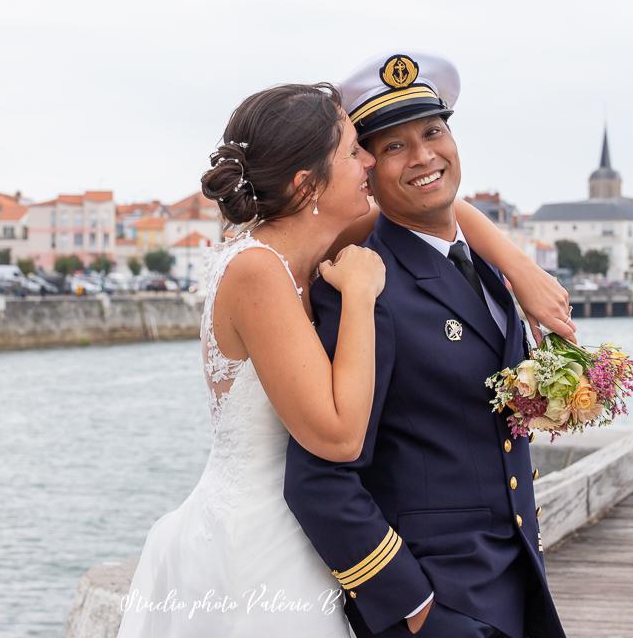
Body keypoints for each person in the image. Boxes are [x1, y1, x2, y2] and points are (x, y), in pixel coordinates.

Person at [117, 78, 571, 637]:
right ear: (309, 185)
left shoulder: (313, 238)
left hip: (316, 547)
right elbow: (338, 439)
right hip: (258, 544)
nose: (369, 164)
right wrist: (359, 296)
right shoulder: (258, 269)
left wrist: (519, 268)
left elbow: (443, 208)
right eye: (355, 151)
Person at [285, 53, 568, 637]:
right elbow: (319, 477)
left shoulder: (491, 270)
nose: (423, 157)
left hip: (514, 584)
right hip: (442, 604)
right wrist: (412, 607)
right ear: (365, 169)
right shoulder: (364, 288)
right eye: (393, 147)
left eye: (433, 131)